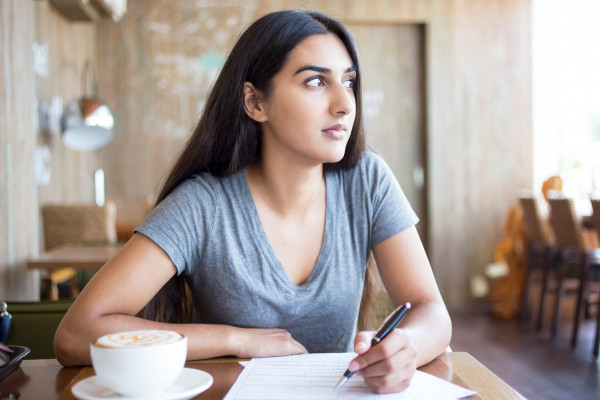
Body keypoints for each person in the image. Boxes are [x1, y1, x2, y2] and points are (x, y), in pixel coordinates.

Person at [54, 10, 451, 394]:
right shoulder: (202, 205)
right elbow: (75, 334)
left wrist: (407, 347)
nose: (345, 103)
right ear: (254, 102)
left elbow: (431, 311)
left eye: (349, 81)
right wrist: (235, 339)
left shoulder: (367, 180)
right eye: (315, 82)